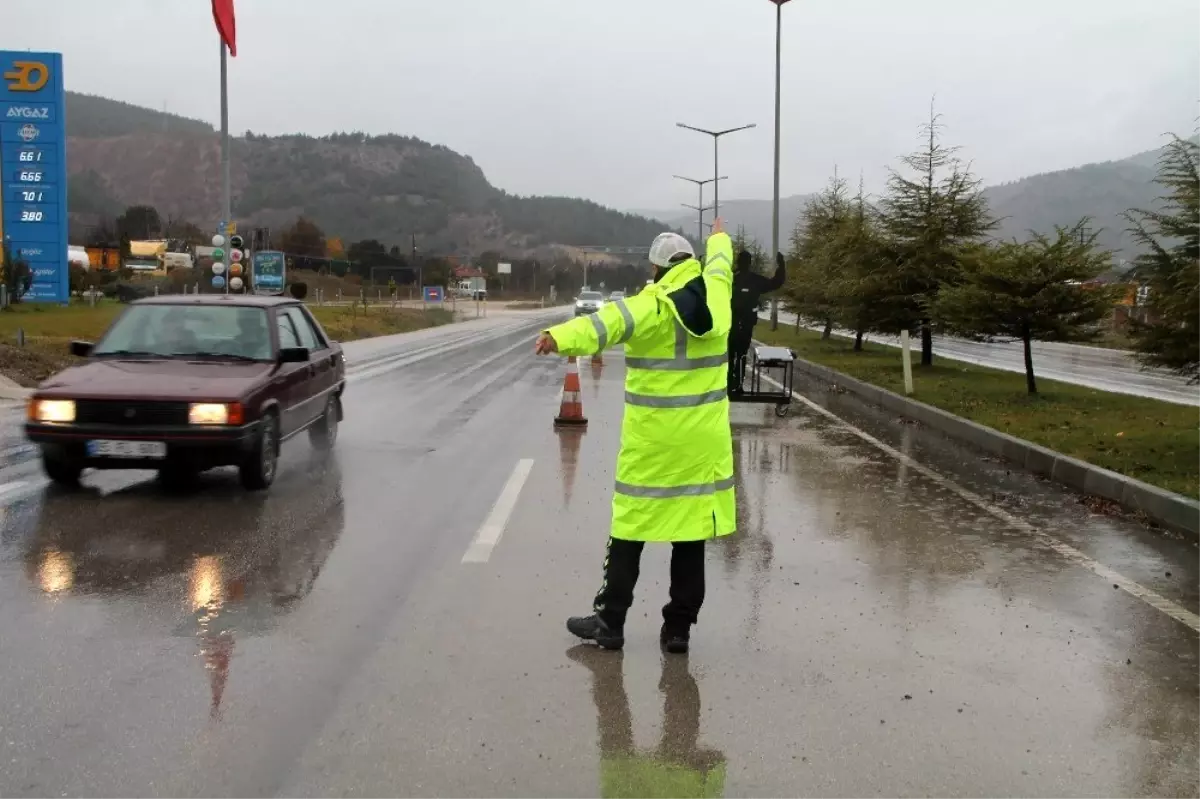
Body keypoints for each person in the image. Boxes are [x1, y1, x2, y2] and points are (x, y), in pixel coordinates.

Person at [535, 221, 737, 654]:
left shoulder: (652, 306)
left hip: (653, 444)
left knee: (630, 526)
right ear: (691, 265)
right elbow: (722, 265)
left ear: (659, 269)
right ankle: (678, 630)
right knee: (690, 532)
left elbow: (604, 324)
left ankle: (610, 622)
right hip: (702, 444)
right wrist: (719, 236)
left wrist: (558, 336)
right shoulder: (718, 297)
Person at [728, 250, 786, 393]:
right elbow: (775, 283)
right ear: (750, 263)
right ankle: (738, 384)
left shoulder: (730, 278)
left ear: (737, 262)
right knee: (741, 353)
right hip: (747, 323)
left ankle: (729, 383)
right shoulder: (755, 280)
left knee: (730, 354)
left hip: (731, 323)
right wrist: (781, 266)